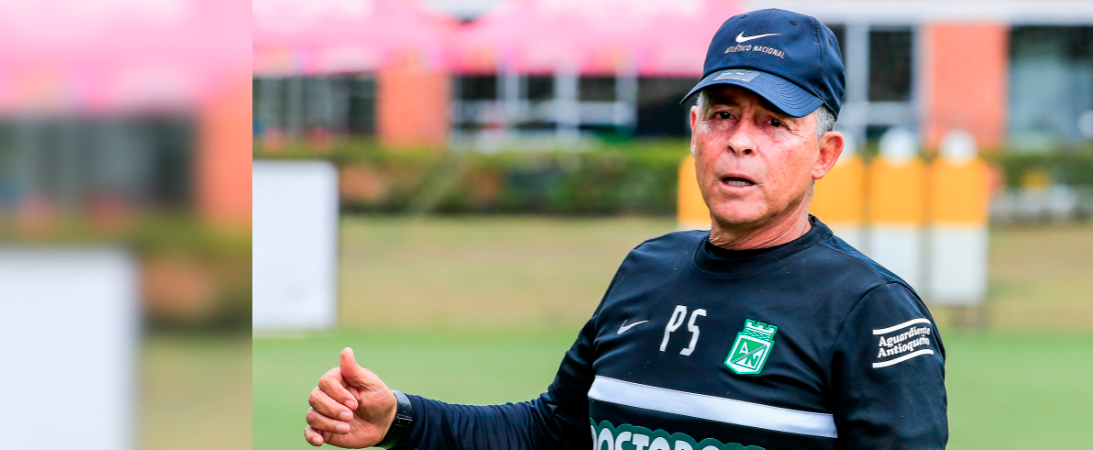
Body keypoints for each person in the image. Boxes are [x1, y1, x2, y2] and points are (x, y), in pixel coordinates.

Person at [303, 9, 947, 450]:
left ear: (825, 153)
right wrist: (401, 419)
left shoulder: (871, 311)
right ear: (695, 131)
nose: (740, 143)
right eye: (723, 114)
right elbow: (550, 433)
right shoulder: (648, 267)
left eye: (774, 123)